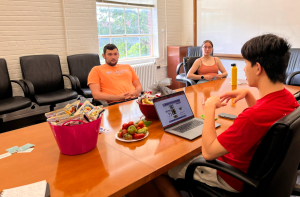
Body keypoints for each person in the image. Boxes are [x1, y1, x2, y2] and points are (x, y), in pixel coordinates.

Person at [152, 34, 299, 196]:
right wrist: (249, 96)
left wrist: (209, 109)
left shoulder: (251, 117)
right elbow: (266, 121)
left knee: (157, 170)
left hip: (231, 177)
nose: (244, 68)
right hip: (261, 173)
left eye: (246, 63)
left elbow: (208, 152)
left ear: (257, 68)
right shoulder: (289, 99)